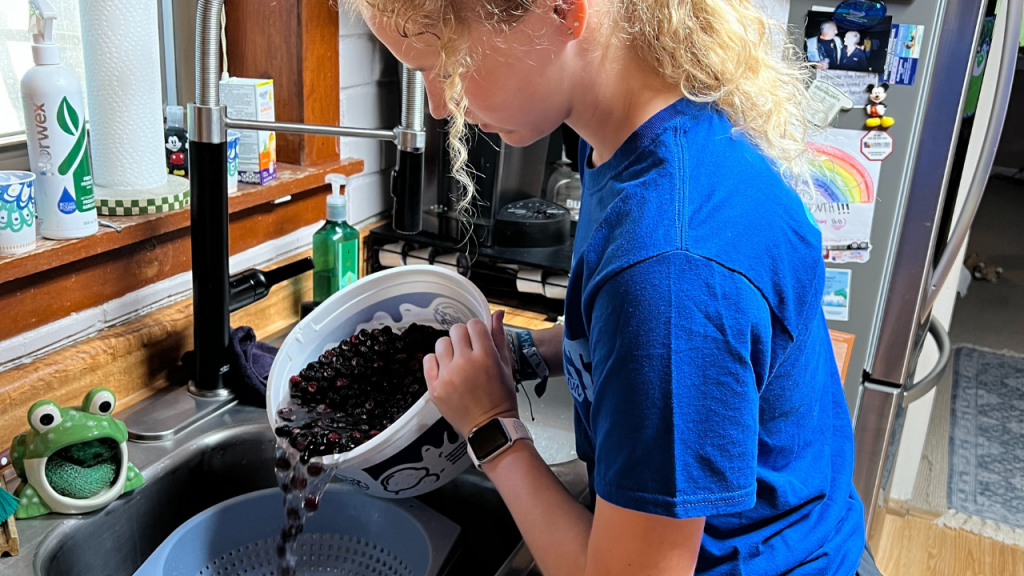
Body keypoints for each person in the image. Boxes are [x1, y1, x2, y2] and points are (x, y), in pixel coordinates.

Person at [354, 0, 877, 574]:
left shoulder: (673, 272)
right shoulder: (625, 140)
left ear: (562, 12)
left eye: (446, 65)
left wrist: (491, 430)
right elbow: (627, 347)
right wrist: (526, 353)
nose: (436, 103)